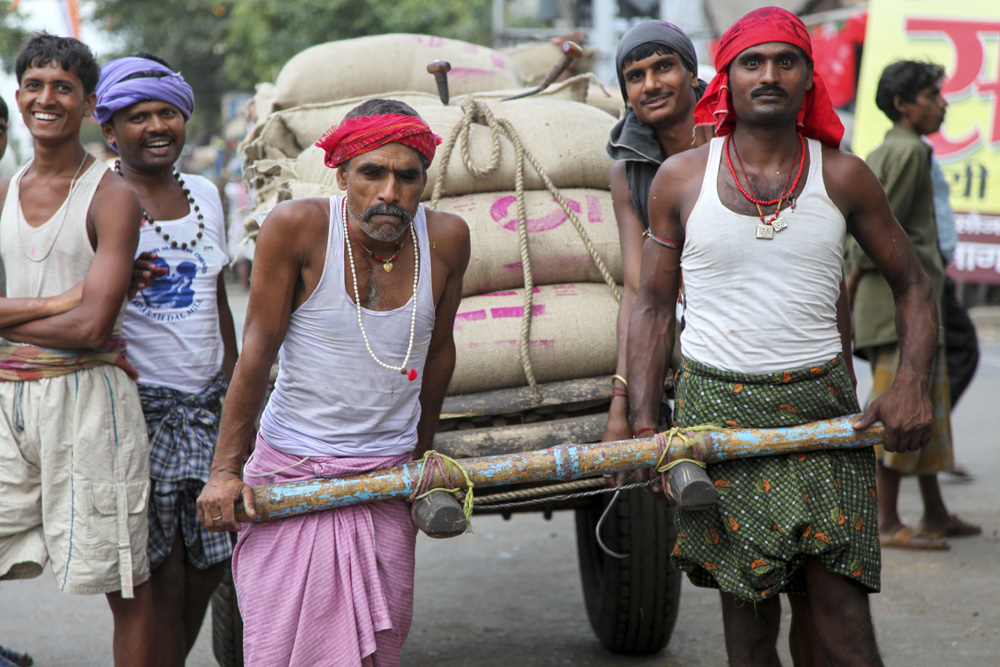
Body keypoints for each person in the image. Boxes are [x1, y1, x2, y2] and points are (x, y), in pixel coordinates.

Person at [627, 8, 938, 665]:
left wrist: (909, 381)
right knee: (750, 626)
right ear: (727, 79)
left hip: (823, 415)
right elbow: (652, 306)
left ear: (808, 80)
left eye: (785, 61)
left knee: (843, 619)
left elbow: (912, 283)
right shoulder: (680, 178)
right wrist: (643, 424)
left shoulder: (844, 174)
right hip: (720, 421)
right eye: (751, 62)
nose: (768, 74)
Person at [197, 99, 470, 665]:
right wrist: (225, 471)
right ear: (343, 174)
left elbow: (439, 354)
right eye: (372, 172)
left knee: (377, 646)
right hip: (291, 467)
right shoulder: (297, 227)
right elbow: (256, 356)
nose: (390, 192)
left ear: (425, 181)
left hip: (387, 476)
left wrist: (421, 454)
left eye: (407, 175)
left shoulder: (448, 238)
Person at [0, 33, 154, 666]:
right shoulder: (4, 192)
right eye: (35, 86)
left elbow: (94, 328)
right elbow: (80, 310)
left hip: (92, 401)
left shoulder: (112, 196)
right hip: (10, 398)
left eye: (63, 87)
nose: (47, 98)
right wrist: (59, 301)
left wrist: (18, 322)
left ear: (89, 105)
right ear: (17, 98)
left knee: (122, 575)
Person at [94, 53, 239, 665]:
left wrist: (236, 387)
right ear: (109, 130)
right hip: (137, 408)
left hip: (206, 407)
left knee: (210, 563)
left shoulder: (204, 191)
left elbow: (216, 297)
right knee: (156, 575)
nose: (157, 126)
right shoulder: (99, 196)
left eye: (167, 113)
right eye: (138, 116)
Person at [846, 60, 981, 549]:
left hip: (915, 306)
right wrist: (854, 288)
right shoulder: (905, 154)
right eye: (931, 95)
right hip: (896, 310)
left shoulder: (903, 150)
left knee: (925, 408)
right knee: (897, 412)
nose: (942, 103)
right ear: (903, 105)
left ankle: (935, 512)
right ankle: (884, 522)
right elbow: (871, 238)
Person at [602, 21, 710, 444]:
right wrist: (620, 406)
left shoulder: (734, 143)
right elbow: (637, 289)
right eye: (635, 76)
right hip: (683, 320)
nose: (650, 84)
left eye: (663, 67)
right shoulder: (627, 175)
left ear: (692, 75)